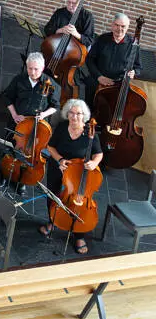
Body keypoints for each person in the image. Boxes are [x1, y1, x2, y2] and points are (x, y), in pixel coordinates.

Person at [39, 99, 103, 254]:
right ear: (67, 114)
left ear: (84, 115)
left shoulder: (90, 133)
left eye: (78, 113)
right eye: (71, 113)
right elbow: (50, 147)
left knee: (79, 202)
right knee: (53, 196)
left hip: (79, 174)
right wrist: (60, 160)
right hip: (59, 167)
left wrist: (94, 163)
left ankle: (79, 235)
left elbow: (99, 154)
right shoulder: (62, 127)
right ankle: (53, 221)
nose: (75, 117)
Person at [1, 52, 61, 192]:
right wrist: (14, 114)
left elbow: (55, 106)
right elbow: (7, 97)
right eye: (30, 68)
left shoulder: (51, 84)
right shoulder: (19, 79)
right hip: (18, 123)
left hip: (37, 126)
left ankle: (22, 179)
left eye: (36, 69)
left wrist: (44, 114)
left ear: (43, 68)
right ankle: (4, 173)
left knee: (31, 153)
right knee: (10, 148)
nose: (33, 72)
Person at [84, 13, 141, 106]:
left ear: (127, 27)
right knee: (89, 103)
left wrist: (134, 72)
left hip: (119, 83)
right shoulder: (102, 39)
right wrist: (99, 77)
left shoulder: (133, 45)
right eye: (116, 25)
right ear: (112, 25)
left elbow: (138, 67)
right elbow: (89, 59)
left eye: (123, 26)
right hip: (98, 79)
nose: (119, 29)